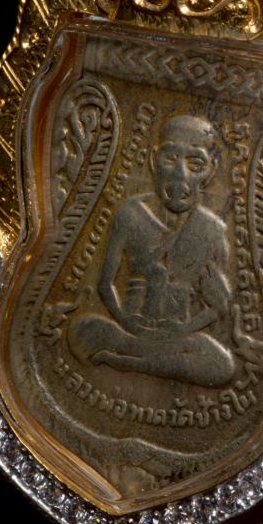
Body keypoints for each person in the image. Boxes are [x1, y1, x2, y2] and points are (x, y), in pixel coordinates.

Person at [67, 114, 235, 386]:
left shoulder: (211, 229)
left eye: (195, 164)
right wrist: (126, 321)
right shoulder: (131, 214)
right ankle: (134, 350)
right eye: (170, 159)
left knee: (222, 365)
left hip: (175, 336)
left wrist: (183, 328)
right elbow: (105, 284)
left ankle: (125, 360)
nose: (181, 175)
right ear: (153, 160)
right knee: (81, 330)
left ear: (210, 170)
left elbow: (218, 306)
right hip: (130, 327)